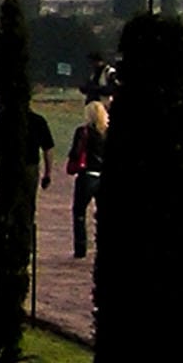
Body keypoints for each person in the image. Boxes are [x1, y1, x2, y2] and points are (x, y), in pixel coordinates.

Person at [69, 99, 108, 258]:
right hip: (103, 176)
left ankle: (80, 248)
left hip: (87, 175)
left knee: (79, 211)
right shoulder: (108, 133)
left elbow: (75, 153)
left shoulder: (83, 132)